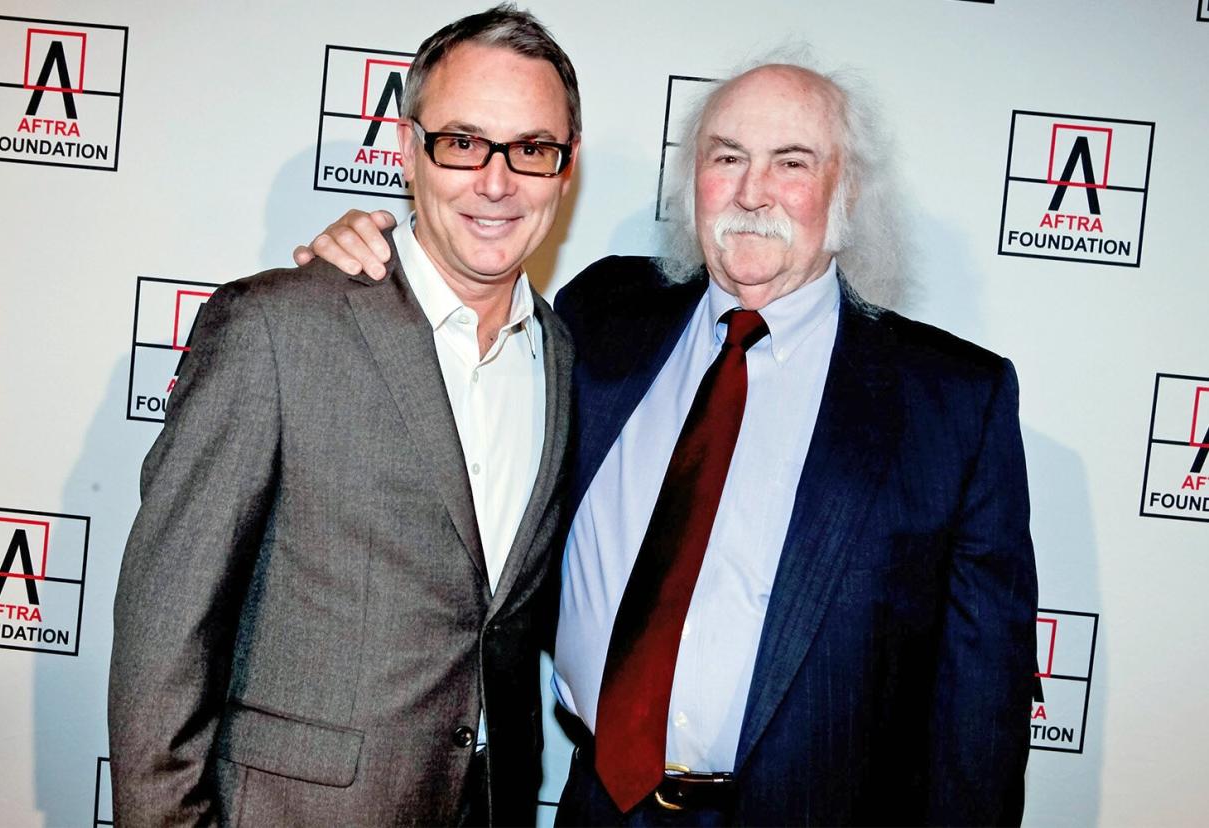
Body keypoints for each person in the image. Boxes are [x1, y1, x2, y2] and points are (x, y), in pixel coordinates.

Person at [298, 59, 1037, 828]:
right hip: (595, 807)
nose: (752, 192)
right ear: (693, 185)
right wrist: (374, 270)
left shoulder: (952, 401)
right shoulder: (603, 314)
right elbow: (460, 379)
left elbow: (980, 710)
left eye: (791, 163)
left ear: (846, 192)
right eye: (726, 158)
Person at [108, 7, 578, 825]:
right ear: (406, 150)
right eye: (463, 142)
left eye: (532, 150)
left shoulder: (565, 356)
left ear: (563, 172)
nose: (496, 182)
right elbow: (163, 636)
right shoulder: (277, 329)